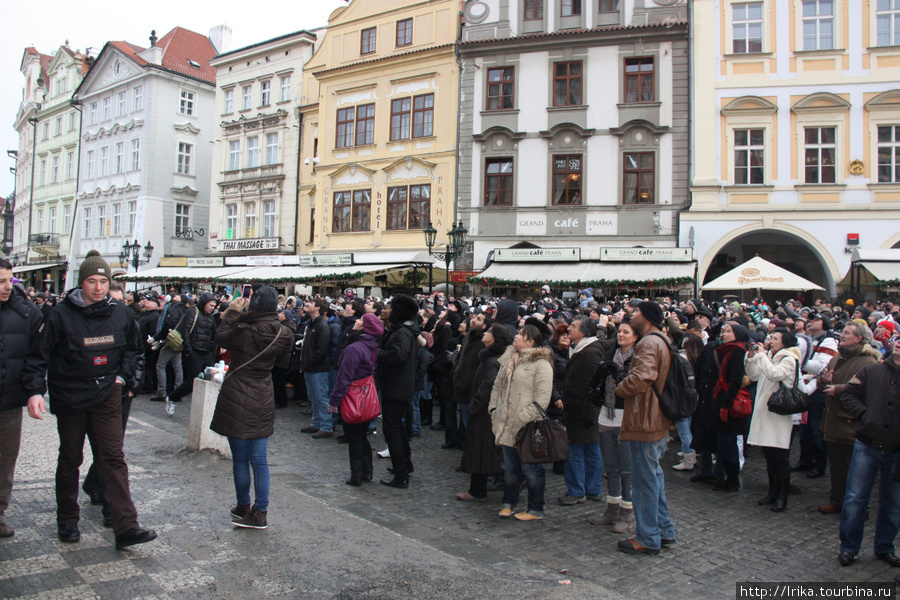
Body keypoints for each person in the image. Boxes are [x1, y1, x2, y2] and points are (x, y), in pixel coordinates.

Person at [32, 250, 156, 549]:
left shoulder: (121, 312)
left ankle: (126, 526)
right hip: (70, 395)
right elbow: (39, 356)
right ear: (81, 283)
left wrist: (122, 378)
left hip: (107, 394)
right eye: (92, 281)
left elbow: (133, 350)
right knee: (70, 458)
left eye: (103, 281)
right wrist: (36, 390)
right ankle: (67, 519)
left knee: (113, 458)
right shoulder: (60, 314)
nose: (98, 287)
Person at [210, 286, 293, 530]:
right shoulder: (283, 333)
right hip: (262, 392)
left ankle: (244, 505)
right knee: (259, 460)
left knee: (240, 459)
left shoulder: (243, 329)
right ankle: (260, 512)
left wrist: (231, 313)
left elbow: (220, 337)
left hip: (237, 392)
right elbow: (282, 361)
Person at [614, 301, 674, 555]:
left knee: (644, 481)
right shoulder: (661, 339)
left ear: (647, 317)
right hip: (655, 419)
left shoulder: (649, 342)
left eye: (636, 312)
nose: (632, 314)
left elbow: (642, 378)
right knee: (654, 477)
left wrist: (619, 389)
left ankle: (648, 537)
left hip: (645, 419)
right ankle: (664, 530)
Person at [835, 347, 900, 567]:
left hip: (896, 449)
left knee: (893, 503)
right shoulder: (871, 371)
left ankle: (884, 547)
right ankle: (849, 548)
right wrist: (865, 414)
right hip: (867, 444)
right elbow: (849, 395)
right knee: (855, 498)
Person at [489, 324, 554, 521]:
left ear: (530, 341)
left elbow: (542, 398)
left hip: (527, 426)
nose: (516, 336)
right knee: (510, 467)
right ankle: (508, 503)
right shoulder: (510, 360)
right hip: (507, 421)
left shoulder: (541, 364)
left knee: (531, 469)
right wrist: (494, 409)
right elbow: (497, 386)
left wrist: (522, 417)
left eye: (521, 334)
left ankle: (535, 508)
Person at [813, 322, 879, 515]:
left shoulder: (868, 361)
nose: (842, 335)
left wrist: (839, 389)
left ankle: (859, 508)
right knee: (837, 467)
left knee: (855, 471)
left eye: (848, 333)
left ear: (858, 339)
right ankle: (837, 500)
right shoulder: (837, 357)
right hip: (833, 420)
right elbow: (822, 380)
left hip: (851, 423)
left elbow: (868, 390)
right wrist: (823, 381)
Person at [0, 258, 45, 538]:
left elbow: (36, 358)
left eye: (9, 280)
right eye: (1, 282)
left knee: (5, 461)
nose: (7, 287)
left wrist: (34, 391)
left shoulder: (26, 311)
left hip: (8, 399)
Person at [745, 328, 802, 512]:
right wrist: (751, 357)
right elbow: (753, 375)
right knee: (769, 456)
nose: (771, 340)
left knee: (780, 457)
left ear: (785, 342)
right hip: (764, 412)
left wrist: (761, 357)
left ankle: (782, 496)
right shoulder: (767, 356)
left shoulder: (790, 359)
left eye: (776, 338)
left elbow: (775, 374)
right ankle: (772, 492)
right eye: (771, 337)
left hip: (779, 414)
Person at [589, 320, 636, 533]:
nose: (621, 335)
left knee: (626, 469)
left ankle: (628, 512)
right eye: (620, 331)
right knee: (611, 468)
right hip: (606, 414)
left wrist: (619, 375)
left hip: (625, 416)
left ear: (636, 336)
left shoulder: (637, 357)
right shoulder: (610, 354)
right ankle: (612, 508)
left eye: (626, 332)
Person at [458, 323, 512, 501]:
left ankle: (478, 490)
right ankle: (477, 488)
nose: (485, 332)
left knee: (482, 450)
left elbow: (488, 386)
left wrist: (475, 405)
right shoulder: (490, 358)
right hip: (483, 411)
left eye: (489, 331)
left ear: (495, 338)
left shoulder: (492, 361)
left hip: (484, 413)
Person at [328, 313, 383, 486]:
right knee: (361, 436)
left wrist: (334, 402)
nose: (356, 321)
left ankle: (357, 475)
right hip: (366, 396)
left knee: (354, 438)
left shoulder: (354, 348)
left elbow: (344, 378)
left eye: (360, 320)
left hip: (354, 396)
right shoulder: (370, 346)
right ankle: (367, 472)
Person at [558, 316, 605, 505]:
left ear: (584, 332)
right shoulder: (581, 350)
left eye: (573, 326)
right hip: (583, 410)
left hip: (582, 411)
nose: (569, 329)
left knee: (578, 451)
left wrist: (588, 410)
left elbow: (592, 384)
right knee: (590, 449)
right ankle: (592, 489)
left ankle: (578, 490)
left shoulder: (588, 353)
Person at [377, 294, 420, 488]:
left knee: (392, 429)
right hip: (399, 385)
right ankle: (405, 466)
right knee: (398, 429)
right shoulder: (404, 330)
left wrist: (378, 354)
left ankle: (401, 473)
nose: (386, 310)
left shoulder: (402, 332)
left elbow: (398, 354)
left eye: (390, 307)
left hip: (396, 386)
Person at [710, 323, 751, 492]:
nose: (724, 334)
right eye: (724, 331)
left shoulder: (737, 351)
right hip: (724, 398)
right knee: (724, 441)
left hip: (730, 402)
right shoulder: (727, 350)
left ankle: (732, 479)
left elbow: (735, 380)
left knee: (729, 442)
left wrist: (726, 404)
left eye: (728, 331)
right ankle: (729, 477)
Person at [166, 292, 219, 410]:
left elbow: (214, 334)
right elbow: (186, 332)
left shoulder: (211, 317)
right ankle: (173, 398)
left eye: (213, 306)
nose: (212, 308)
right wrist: (188, 351)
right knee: (191, 381)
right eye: (210, 305)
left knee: (211, 378)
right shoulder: (192, 312)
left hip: (206, 352)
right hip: (194, 352)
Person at [300, 298, 333, 438]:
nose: (308, 305)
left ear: (318, 308)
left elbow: (322, 349)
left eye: (311, 304)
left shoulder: (322, 326)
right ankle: (316, 423)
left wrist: (312, 361)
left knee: (321, 397)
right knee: (314, 397)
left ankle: (326, 426)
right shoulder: (312, 323)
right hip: (310, 367)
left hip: (318, 368)